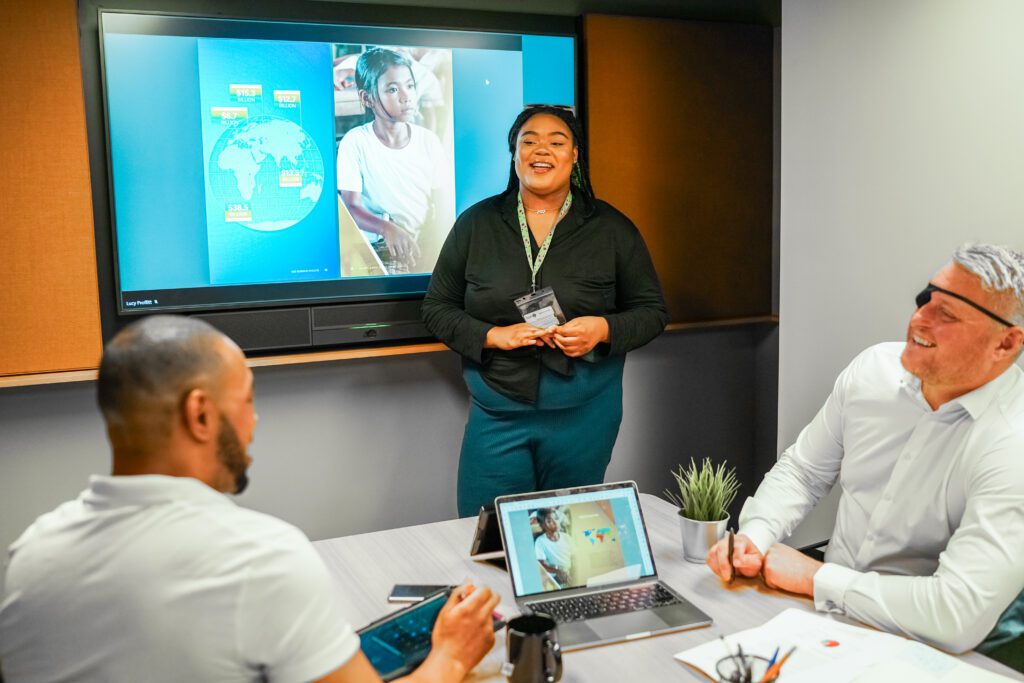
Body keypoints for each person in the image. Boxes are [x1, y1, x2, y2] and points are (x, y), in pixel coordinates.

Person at [0, 315, 499, 683]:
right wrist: (453, 655)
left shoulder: (32, 554)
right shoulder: (260, 558)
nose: (253, 423)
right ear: (200, 415)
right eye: (246, 402)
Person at [706, 244, 1024, 657]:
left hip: (930, 648)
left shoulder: (1012, 441)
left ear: (1006, 343)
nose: (918, 320)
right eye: (925, 300)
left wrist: (815, 579)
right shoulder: (873, 369)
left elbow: (956, 615)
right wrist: (757, 534)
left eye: (947, 314)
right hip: (824, 618)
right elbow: (805, 472)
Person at [422, 105, 667, 517]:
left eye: (557, 142)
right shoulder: (476, 224)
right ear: (514, 155)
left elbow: (652, 311)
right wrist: (492, 336)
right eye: (529, 141)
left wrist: (602, 329)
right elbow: (436, 307)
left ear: (575, 156)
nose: (542, 150)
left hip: (584, 415)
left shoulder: (612, 229)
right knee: (488, 541)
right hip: (498, 411)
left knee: (567, 548)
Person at [337, 47, 454, 275]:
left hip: (423, 243)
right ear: (367, 98)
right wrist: (387, 228)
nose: (406, 96)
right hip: (378, 248)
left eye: (409, 86)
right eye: (392, 89)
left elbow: (443, 205)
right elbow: (352, 207)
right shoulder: (355, 142)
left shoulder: (428, 141)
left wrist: (433, 247)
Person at [533, 508, 572, 587]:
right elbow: (541, 565)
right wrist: (558, 571)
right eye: (549, 521)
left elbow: (575, 556)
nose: (555, 522)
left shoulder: (567, 537)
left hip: (569, 573)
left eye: (556, 518)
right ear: (542, 526)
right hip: (553, 577)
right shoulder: (540, 542)